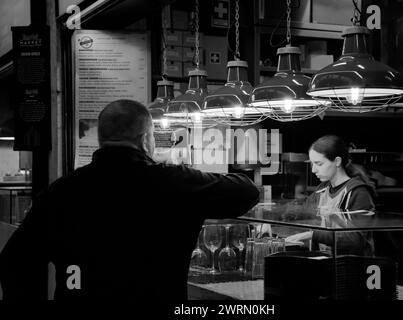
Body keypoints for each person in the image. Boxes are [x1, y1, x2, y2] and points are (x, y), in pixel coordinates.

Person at [0, 99, 259, 300]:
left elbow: (15, 260)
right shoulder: (174, 182)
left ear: (101, 140)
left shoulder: (60, 191)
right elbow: (247, 192)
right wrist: (181, 172)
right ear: (145, 139)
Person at [283, 135, 376, 256]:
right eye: (312, 164)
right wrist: (271, 221)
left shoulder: (357, 193)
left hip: (352, 267)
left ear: (337, 161)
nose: (313, 170)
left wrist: (312, 235)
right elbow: (301, 213)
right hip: (327, 262)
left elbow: (356, 239)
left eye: (319, 164)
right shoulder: (322, 190)